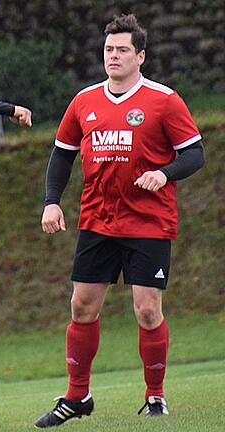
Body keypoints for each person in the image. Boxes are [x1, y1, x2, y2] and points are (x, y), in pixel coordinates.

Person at [34, 14, 205, 428]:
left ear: (140, 56)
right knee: (82, 306)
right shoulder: (84, 101)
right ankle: (77, 397)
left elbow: (195, 153)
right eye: (109, 49)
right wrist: (52, 202)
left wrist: (164, 173)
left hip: (149, 222)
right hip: (97, 221)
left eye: (122, 49)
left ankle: (155, 396)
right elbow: (61, 154)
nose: (113, 56)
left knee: (147, 311)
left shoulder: (164, 100)